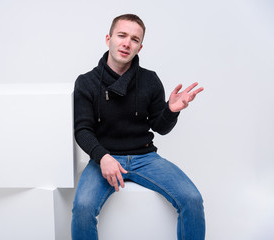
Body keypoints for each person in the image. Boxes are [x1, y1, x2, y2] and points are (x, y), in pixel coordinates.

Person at [71, 14, 205, 240]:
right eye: (121, 35)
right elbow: (82, 130)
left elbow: (159, 127)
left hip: (145, 157)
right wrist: (103, 157)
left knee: (192, 199)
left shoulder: (150, 80)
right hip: (104, 158)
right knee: (83, 207)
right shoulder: (86, 82)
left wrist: (171, 110)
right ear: (108, 38)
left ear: (140, 47)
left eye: (134, 39)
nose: (126, 43)